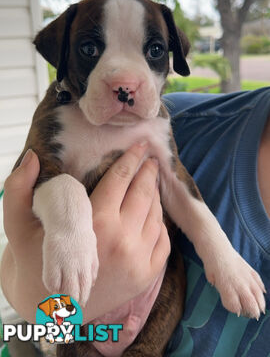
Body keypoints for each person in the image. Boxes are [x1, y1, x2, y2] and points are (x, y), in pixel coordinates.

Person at [1, 87, 270, 356]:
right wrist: (33, 296)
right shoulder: (187, 118)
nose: (126, 85)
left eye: (153, 51)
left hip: (155, 317)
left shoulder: (162, 115)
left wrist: (222, 257)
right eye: (90, 49)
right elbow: (28, 200)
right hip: (75, 330)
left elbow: (179, 185)